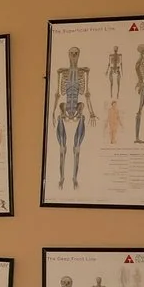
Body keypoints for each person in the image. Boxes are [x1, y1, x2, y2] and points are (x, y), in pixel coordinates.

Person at [51, 45, 94, 190]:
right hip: (64, 112)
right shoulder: (62, 72)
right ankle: (62, 178)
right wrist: (53, 112)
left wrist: (91, 112)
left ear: (79, 55)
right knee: (62, 149)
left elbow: (86, 94)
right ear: (68, 55)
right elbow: (58, 94)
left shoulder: (84, 72)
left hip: (77, 112)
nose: (74, 55)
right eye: (72, 53)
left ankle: (74, 178)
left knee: (76, 149)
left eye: (76, 53)